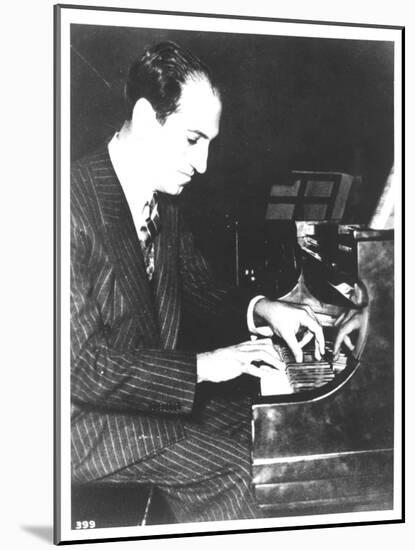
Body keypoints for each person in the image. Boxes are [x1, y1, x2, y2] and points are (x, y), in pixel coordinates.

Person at [70, 41, 327, 524]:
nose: (204, 164)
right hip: (76, 422)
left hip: (135, 402)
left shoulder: (163, 199)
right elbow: (81, 367)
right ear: (147, 119)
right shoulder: (67, 202)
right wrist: (206, 365)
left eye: (210, 142)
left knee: (257, 427)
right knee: (226, 466)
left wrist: (265, 308)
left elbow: (201, 290)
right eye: (193, 139)